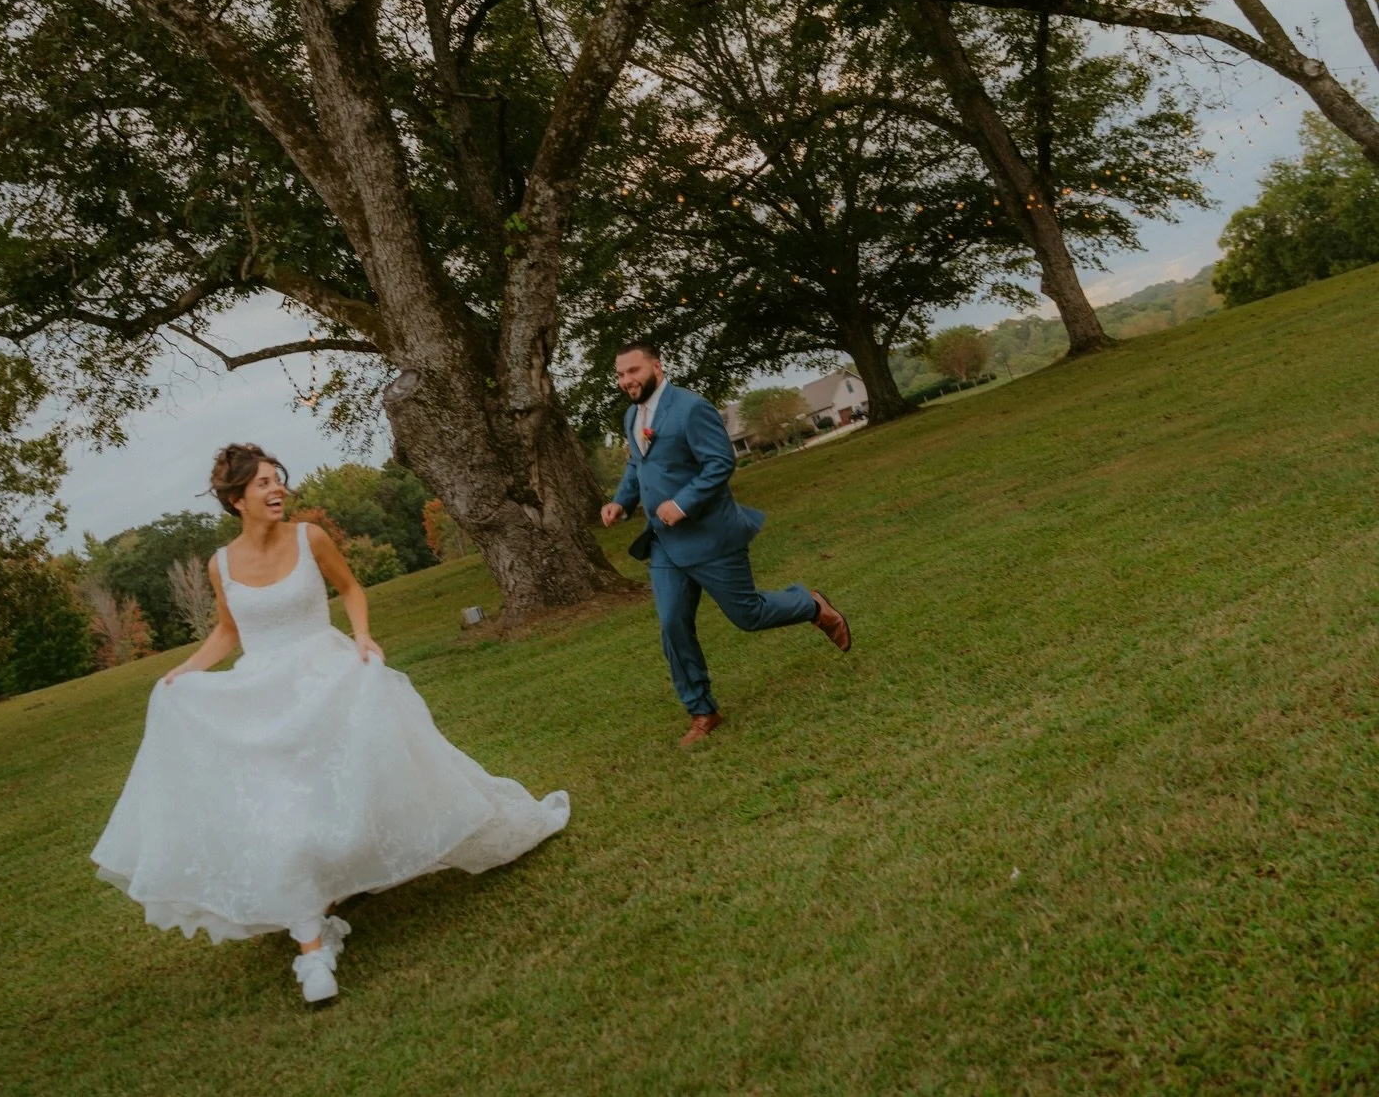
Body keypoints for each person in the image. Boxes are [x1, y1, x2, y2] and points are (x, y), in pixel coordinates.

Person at [91, 443, 568, 1003]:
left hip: (328, 679)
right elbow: (227, 630)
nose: (277, 490)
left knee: (344, 795)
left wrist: (362, 635)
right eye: (263, 484)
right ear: (235, 499)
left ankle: (329, 908)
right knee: (286, 815)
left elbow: (350, 589)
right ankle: (314, 944)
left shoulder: (308, 537)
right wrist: (185, 671)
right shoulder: (220, 564)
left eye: (278, 480)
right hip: (265, 696)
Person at [602, 342, 851, 744]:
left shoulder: (690, 407)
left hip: (710, 536)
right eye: (619, 374)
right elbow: (639, 464)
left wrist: (682, 504)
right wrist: (620, 501)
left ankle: (812, 605)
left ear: (657, 367)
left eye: (633, 371)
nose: (626, 380)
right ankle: (702, 710)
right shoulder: (632, 415)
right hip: (664, 543)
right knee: (672, 624)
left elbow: (720, 461)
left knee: (747, 615)